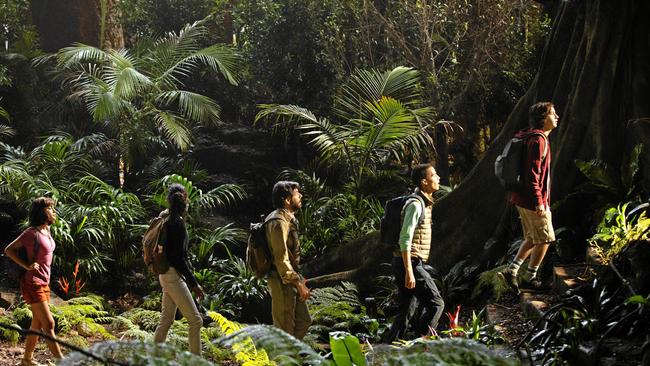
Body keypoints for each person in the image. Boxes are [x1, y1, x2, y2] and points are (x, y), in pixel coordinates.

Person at [500, 102, 559, 292]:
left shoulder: (527, 135)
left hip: (520, 198)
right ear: (543, 118)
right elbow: (532, 174)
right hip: (532, 200)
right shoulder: (538, 140)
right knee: (546, 238)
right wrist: (539, 201)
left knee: (533, 237)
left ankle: (513, 270)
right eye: (553, 114)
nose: (556, 117)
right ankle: (530, 277)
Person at [382, 164, 445, 343]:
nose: (438, 177)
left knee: (406, 309)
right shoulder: (416, 205)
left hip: (405, 262)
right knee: (436, 303)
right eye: (434, 175)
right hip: (409, 263)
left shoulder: (423, 201)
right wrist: (409, 271)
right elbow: (405, 239)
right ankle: (421, 343)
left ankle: (390, 348)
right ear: (424, 182)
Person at [4, 197, 64, 366]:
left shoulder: (47, 231)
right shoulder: (31, 233)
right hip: (33, 282)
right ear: (41, 212)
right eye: (50, 208)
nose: (53, 211)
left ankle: (26, 359)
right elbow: (9, 250)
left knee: (37, 324)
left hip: (44, 282)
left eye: (53, 208)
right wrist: (27, 266)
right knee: (49, 323)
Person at [153, 184, 204, 355]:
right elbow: (178, 259)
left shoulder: (164, 217)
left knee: (166, 319)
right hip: (173, 275)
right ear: (185, 200)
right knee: (196, 321)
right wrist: (194, 284)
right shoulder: (177, 223)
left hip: (164, 274)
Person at [265, 181, 311, 339]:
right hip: (280, 280)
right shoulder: (278, 222)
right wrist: (298, 283)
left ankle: (290, 356)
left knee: (304, 321)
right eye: (297, 194)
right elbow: (281, 259)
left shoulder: (287, 219)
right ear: (287, 200)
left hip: (289, 279)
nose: (300, 196)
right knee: (285, 330)